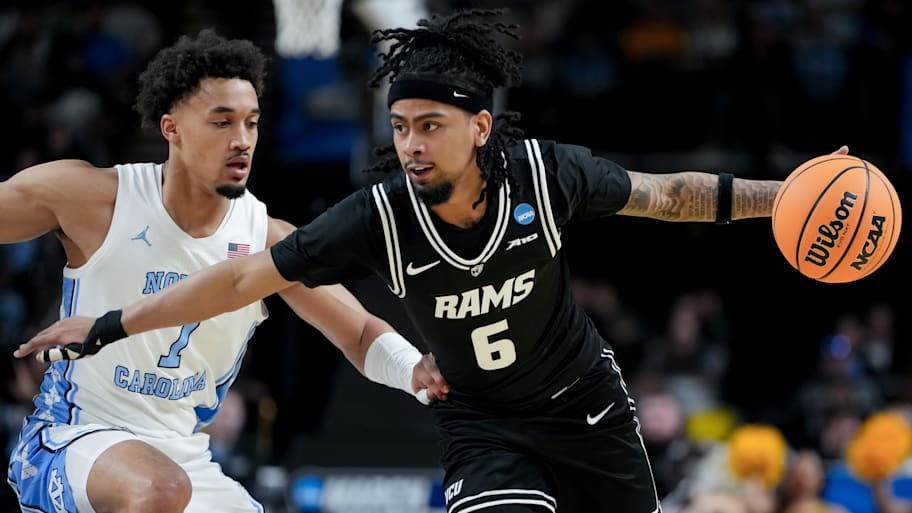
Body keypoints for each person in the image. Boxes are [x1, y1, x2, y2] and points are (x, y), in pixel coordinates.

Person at [16, 9, 849, 512]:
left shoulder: (547, 175)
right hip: (483, 422)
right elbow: (237, 284)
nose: (410, 143)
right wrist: (111, 322)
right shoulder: (375, 215)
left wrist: (787, 195)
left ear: (481, 128)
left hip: (583, 402)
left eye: (430, 126)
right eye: (401, 126)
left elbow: (668, 196)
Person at [3, 29, 448, 513]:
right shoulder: (92, 198)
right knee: (158, 490)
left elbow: (359, 331)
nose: (242, 140)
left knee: (167, 486)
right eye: (222, 122)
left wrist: (413, 371)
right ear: (171, 128)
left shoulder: (265, 238)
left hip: (183, 456)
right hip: (73, 438)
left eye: (252, 123)